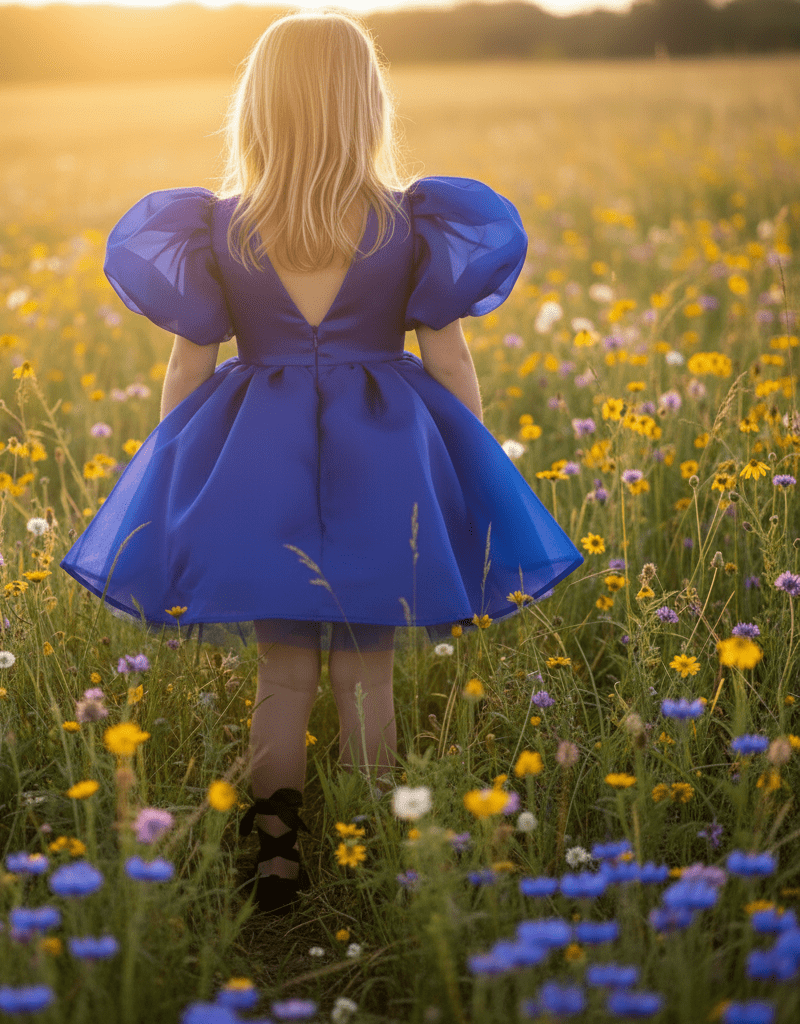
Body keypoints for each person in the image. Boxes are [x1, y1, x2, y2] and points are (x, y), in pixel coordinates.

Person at [60, 7, 583, 914]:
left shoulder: (220, 228)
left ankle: (276, 856)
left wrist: (175, 475)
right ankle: (376, 836)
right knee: (367, 674)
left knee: (282, 676)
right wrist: (467, 465)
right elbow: (449, 359)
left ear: (258, 109)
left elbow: (190, 366)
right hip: (386, 460)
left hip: (257, 466)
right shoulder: (409, 224)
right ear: (366, 106)